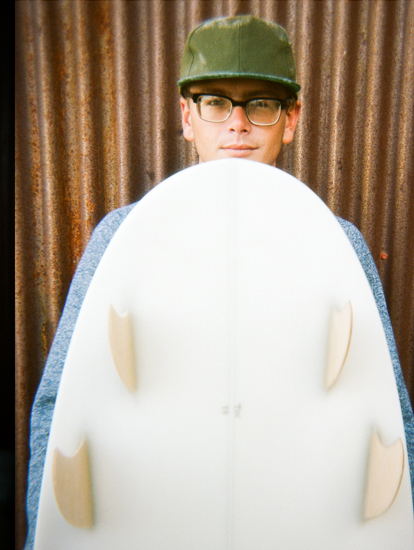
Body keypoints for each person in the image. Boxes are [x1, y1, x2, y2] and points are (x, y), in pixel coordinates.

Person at [23, 15, 414, 547]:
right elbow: (60, 403)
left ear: (290, 119)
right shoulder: (123, 235)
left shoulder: (338, 243)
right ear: (188, 117)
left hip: (292, 515)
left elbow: (386, 410)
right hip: (162, 513)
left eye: (261, 103)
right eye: (215, 102)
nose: (237, 124)